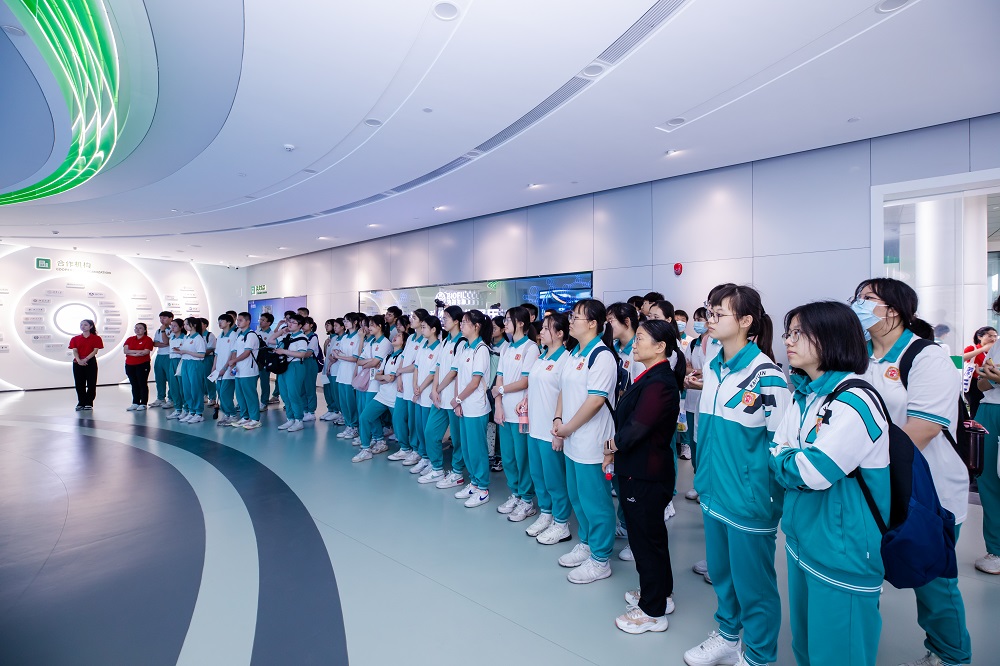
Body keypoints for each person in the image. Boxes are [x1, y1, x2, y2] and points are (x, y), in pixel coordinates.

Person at [851, 278, 971, 666]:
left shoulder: (926, 357)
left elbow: (922, 429)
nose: (858, 304)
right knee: (864, 570)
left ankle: (950, 655)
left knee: (934, 584)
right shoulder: (858, 357)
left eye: (867, 299)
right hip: (873, 489)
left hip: (929, 491)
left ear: (894, 310)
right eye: (857, 298)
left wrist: (856, 458)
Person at [770, 301, 890, 666]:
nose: (788, 341)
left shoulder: (856, 400)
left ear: (831, 338)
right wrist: (788, 458)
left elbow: (814, 472)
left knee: (839, 654)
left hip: (843, 551)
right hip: (804, 539)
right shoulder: (806, 394)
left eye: (798, 333)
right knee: (806, 647)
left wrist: (786, 458)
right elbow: (776, 449)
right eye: (788, 332)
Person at [684, 284, 789, 666]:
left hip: (750, 500)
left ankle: (759, 656)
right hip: (714, 491)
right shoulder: (715, 367)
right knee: (723, 575)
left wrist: (761, 492)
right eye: (709, 312)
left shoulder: (768, 376)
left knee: (754, 585)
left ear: (746, 321)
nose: (709, 320)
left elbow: (781, 446)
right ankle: (728, 636)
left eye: (719, 314)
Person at [603, 319, 681, 634]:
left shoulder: (660, 382)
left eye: (640, 339)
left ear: (660, 346)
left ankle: (652, 611)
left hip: (645, 473)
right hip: (641, 470)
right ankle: (661, 594)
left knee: (645, 541)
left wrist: (610, 446)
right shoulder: (651, 376)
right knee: (651, 538)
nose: (634, 344)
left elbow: (637, 428)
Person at [552, 299, 619, 585]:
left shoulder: (601, 356)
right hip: (572, 439)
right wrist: (558, 420)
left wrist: (567, 428)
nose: (570, 321)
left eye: (576, 317)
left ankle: (601, 559)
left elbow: (595, 401)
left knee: (596, 501)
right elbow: (563, 389)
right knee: (578, 497)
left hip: (592, 442)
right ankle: (588, 543)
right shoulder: (573, 353)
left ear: (593, 323)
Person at [524, 312, 575, 544]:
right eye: (542, 328)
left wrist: (560, 431)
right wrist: (525, 401)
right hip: (534, 427)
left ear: (560, 333)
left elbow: (567, 397)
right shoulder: (541, 356)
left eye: (546, 328)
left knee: (555, 478)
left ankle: (561, 522)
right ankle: (546, 513)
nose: (541, 331)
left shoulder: (566, 359)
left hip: (551, 430)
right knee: (538, 474)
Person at [493, 306, 541, 521]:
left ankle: (527, 499)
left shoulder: (531, 348)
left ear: (520, 323)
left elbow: (525, 381)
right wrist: (498, 405)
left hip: (521, 413)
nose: (505, 323)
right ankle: (515, 494)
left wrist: (501, 390)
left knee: (523, 459)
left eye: (508, 319)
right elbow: (499, 377)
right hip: (504, 411)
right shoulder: (506, 348)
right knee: (509, 458)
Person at [451, 310, 494, 508]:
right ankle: (474, 483)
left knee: (477, 449)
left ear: (476, 326)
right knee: (467, 448)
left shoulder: (481, 349)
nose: (461, 325)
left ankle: (483, 488)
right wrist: (458, 401)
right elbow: (459, 376)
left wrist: (458, 399)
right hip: (464, 405)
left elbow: (475, 382)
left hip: (476, 407)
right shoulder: (465, 348)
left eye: (465, 322)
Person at [427, 305, 468, 489]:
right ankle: (437, 468)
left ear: (457, 321)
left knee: (457, 439)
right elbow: (438, 367)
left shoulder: (462, 342)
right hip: (440, 397)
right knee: (431, 432)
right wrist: (435, 389)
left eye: (446, 318)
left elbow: (454, 372)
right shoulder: (444, 341)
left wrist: (439, 388)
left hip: (454, 398)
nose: (443, 321)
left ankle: (457, 472)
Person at [354, 328, 405, 462]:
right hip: (382, 395)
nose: (395, 337)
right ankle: (366, 448)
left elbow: (391, 378)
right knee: (365, 417)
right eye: (395, 335)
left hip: (395, 397)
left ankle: (406, 449)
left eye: (399, 336)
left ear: (404, 342)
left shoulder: (403, 357)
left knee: (399, 426)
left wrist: (384, 377)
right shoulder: (388, 357)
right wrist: (383, 377)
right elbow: (377, 376)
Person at [273, 313, 311, 432]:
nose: (290, 324)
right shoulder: (287, 336)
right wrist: (282, 330)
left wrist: (284, 351)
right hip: (284, 366)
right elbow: (271, 339)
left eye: (293, 322)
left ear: (300, 325)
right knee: (284, 393)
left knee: (293, 394)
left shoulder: (302, 338)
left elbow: (302, 354)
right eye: (289, 322)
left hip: (295, 366)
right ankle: (290, 418)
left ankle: (298, 420)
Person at [229, 312, 262, 429]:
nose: (238, 322)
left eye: (241, 320)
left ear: (248, 322)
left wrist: (234, 360)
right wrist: (233, 364)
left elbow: (247, 352)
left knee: (250, 395)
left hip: (249, 370)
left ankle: (255, 419)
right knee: (240, 395)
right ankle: (245, 417)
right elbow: (234, 351)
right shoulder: (239, 335)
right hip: (239, 371)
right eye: (237, 320)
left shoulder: (251, 335)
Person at [334, 312, 364, 439]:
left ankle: (354, 426)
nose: (345, 323)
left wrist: (340, 356)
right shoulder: (345, 337)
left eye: (347, 321)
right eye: (344, 321)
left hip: (351, 373)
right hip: (342, 372)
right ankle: (348, 425)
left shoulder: (358, 337)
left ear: (355, 322)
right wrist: (337, 353)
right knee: (343, 402)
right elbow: (342, 353)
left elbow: (355, 358)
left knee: (351, 402)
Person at [175, 317, 207, 424]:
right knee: (187, 389)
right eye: (184, 324)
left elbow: (201, 354)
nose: (184, 326)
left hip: (195, 364)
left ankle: (199, 413)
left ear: (194, 325)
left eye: (186, 324)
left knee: (196, 388)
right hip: (185, 363)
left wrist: (186, 352)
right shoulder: (187, 337)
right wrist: (181, 351)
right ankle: (191, 411)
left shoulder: (198, 338)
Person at [69, 319, 104, 411]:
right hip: (78, 362)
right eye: (81, 325)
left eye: (85, 325)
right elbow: (75, 350)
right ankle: (81, 402)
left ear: (91, 326)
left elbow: (95, 351)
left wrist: (86, 359)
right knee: (79, 383)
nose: (83, 326)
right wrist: (78, 360)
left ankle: (89, 402)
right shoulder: (75, 339)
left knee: (91, 383)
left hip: (90, 361)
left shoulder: (96, 338)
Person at [211, 314, 239, 425]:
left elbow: (233, 353)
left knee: (225, 393)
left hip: (228, 370)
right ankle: (227, 415)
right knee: (220, 393)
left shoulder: (233, 335)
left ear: (229, 322)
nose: (219, 323)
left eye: (222, 321)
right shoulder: (220, 336)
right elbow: (216, 354)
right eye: (218, 321)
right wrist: (214, 368)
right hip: (219, 370)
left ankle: (232, 415)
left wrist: (225, 368)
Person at [963, 326, 996, 417]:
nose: (993, 339)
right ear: (980, 337)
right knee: (975, 407)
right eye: (990, 336)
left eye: (995, 336)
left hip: (989, 381)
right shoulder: (973, 348)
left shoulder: (994, 351)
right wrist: (982, 349)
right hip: (973, 382)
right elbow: (960, 359)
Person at [122, 322, 153, 411]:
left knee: (142, 383)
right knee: (134, 383)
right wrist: (136, 353)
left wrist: (131, 352)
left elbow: (146, 352)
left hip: (142, 364)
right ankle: (135, 402)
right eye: (136, 328)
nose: (137, 330)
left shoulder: (147, 339)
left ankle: (143, 403)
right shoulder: (130, 339)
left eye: (140, 328)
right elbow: (125, 351)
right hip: (130, 364)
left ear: (145, 330)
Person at [321, 319, 345, 423]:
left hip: (337, 369)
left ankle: (337, 411)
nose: (333, 328)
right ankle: (331, 409)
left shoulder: (341, 338)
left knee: (337, 393)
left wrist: (331, 361)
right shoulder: (332, 339)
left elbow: (336, 356)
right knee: (329, 391)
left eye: (335, 325)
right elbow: (328, 354)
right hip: (329, 368)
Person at [149, 310, 174, 408]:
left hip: (169, 356)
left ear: (171, 318)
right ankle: (160, 398)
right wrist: (164, 343)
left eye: (164, 318)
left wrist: (164, 333)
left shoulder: (173, 329)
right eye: (160, 318)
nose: (162, 320)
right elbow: (155, 343)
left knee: (171, 379)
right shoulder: (158, 330)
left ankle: (171, 399)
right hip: (160, 355)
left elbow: (167, 342)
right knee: (159, 378)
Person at [301, 317, 322, 422]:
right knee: (302, 388)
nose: (303, 326)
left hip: (310, 363)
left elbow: (308, 353)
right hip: (301, 362)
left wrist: (295, 354)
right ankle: (305, 409)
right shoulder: (301, 336)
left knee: (309, 388)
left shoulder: (313, 337)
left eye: (305, 324)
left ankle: (311, 411)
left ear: (311, 325)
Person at [165, 319, 187, 420]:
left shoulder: (185, 338)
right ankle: (178, 409)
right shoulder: (172, 338)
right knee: (173, 386)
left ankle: (186, 409)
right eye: (171, 326)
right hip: (172, 361)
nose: (172, 328)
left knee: (182, 386)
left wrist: (180, 351)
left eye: (175, 326)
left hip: (181, 361)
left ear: (181, 327)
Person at [257, 312, 278, 406]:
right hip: (255, 360)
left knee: (264, 382)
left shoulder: (272, 334)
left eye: (263, 320)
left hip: (265, 361)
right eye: (260, 319)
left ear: (269, 323)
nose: (260, 321)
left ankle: (264, 402)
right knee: (252, 382)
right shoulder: (256, 332)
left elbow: (272, 349)